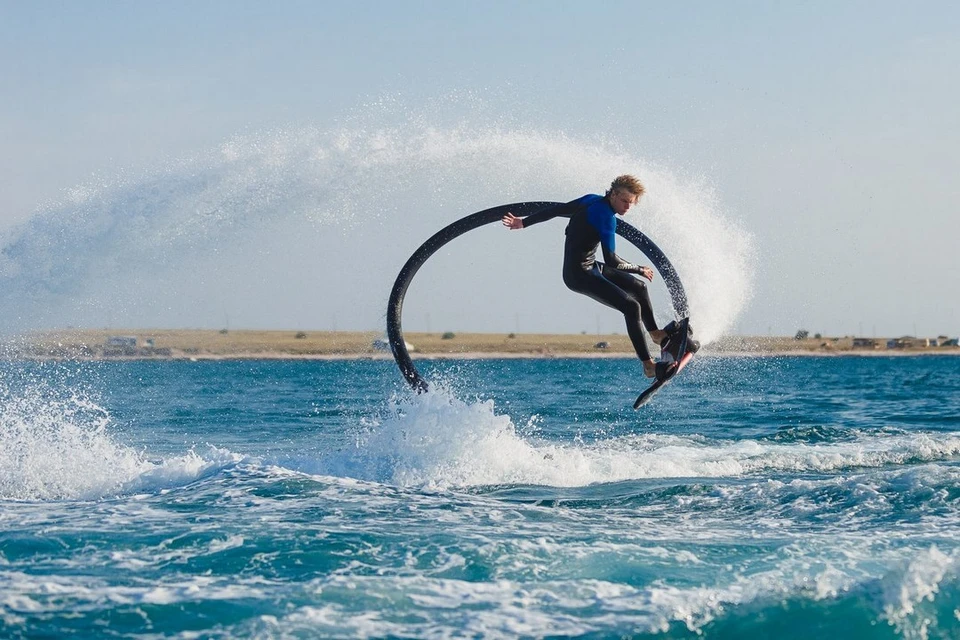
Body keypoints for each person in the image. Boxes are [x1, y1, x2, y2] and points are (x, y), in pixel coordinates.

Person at [502, 175, 667, 378]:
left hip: (590, 266)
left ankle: (656, 334)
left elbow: (555, 210)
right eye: (624, 201)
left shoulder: (590, 199)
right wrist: (639, 268)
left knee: (639, 287)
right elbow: (612, 261)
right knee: (631, 307)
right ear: (613, 194)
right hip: (578, 275)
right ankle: (648, 365)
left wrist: (524, 222)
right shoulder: (607, 218)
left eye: (631, 203)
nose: (627, 207)